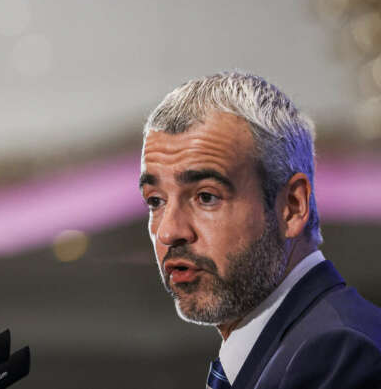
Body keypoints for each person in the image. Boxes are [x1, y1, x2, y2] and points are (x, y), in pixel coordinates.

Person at [139, 72, 381, 388]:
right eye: (156, 201)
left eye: (206, 197)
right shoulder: (294, 345)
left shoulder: (338, 353)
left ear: (292, 206)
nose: (169, 231)